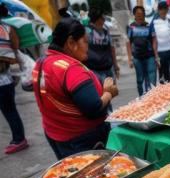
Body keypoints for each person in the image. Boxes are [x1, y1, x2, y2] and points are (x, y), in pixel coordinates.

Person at [32, 18, 118, 159]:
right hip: (82, 140)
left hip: (56, 135)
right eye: (84, 41)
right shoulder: (71, 69)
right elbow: (94, 109)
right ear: (71, 43)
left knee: (73, 175)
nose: (87, 46)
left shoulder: (41, 63)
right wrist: (109, 93)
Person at [0, 3, 28, 154]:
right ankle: (18, 138)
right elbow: (16, 47)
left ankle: (19, 139)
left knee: (9, 110)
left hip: (3, 79)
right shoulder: (9, 27)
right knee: (10, 109)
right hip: (7, 76)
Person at [127, 6, 159, 96]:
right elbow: (128, 43)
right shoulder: (131, 27)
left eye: (142, 14)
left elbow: (154, 40)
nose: (140, 16)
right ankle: (142, 97)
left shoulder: (149, 26)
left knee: (152, 79)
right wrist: (130, 58)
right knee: (140, 80)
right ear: (134, 15)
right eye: (138, 14)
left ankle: (152, 97)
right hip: (137, 58)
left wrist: (156, 57)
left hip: (150, 57)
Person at [85, 8, 120, 84]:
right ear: (97, 19)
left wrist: (115, 66)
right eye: (102, 17)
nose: (104, 19)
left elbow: (111, 48)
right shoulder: (87, 31)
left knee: (111, 92)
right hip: (94, 70)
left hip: (108, 68)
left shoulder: (105, 30)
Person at [152, 1, 170, 82]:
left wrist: (169, 16)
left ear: (168, 9)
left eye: (165, 9)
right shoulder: (154, 22)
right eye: (161, 9)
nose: (163, 11)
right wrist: (156, 56)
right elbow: (153, 40)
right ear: (158, 10)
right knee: (165, 78)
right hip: (161, 52)